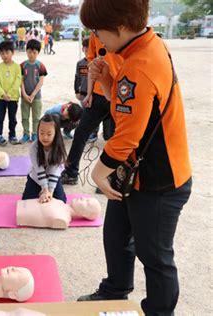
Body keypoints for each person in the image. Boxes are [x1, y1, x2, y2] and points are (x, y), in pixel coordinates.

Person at [77, 2, 192, 316]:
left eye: (98, 30)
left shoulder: (138, 64)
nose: (97, 38)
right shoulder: (141, 49)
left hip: (159, 179)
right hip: (132, 170)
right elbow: (131, 111)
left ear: (121, 27)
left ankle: (158, 312)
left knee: (155, 256)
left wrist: (98, 174)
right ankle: (114, 291)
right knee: (115, 236)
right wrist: (107, 83)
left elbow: (128, 135)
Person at [61, 32, 122, 185]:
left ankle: (114, 177)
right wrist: (89, 93)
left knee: (117, 138)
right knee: (81, 132)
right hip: (99, 94)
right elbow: (92, 66)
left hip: (120, 93)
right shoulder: (95, 34)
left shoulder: (123, 31)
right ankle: (71, 172)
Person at [22, 114, 67, 203]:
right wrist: (45, 189)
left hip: (52, 177)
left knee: (62, 201)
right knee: (26, 201)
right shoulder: (34, 147)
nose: (45, 137)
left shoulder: (59, 148)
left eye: (49, 134)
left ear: (56, 134)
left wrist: (49, 191)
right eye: (41, 133)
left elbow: (54, 170)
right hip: (36, 176)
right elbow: (39, 169)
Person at [20, 39, 48, 144]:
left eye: (34, 52)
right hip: (24, 97)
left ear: (38, 53)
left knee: (36, 117)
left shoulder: (40, 66)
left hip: (36, 97)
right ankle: (26, 134)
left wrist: (32, 94)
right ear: (26, 51)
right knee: (25, 117)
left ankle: (35, 135)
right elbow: (21, 81)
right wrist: (24, 94)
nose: (31, 54)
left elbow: (41, 82)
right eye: (29, 52)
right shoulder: (22, 65)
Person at [0, 41, 22, 146]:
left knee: (12, 118)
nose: (5, 55)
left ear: (12, 52)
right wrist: (2, 94)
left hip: (13, 98)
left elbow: (18, 81)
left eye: (7, 52)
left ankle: (12, 135)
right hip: (1, 98)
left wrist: (9, 94)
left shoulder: (17, 67)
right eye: (2, 53)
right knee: (0, 117)